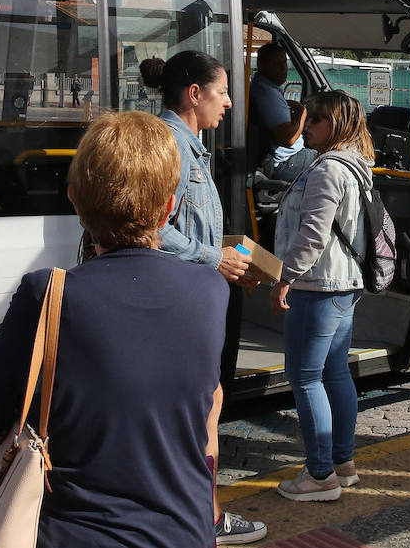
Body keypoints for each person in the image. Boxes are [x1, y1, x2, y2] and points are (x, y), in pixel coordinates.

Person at [0, 111, 227, 547]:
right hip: (183, 533)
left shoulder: (48, 294)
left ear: (74, 200)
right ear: (169, 209)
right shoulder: (211, 290)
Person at [138, 50, 266, 546]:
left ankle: (198, 515)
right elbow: (153, 226)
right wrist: (213, 260)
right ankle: (201, 520)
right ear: (195, 94)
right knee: (200, 408)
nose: (230, 103)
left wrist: (230, 260)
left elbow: (185, 228)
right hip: (179, 303)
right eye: (223, 91)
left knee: (203, 405)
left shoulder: (187, 145)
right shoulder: (169, 144)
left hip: (191, 297)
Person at [269, 90, 371, 502]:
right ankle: (342, 464)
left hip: (318, 286)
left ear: (337, 125)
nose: (306, 126)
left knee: (306, 378)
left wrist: (284, 276)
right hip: (344, 285)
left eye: (315, 120)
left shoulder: (329, 169)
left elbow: (313, 234)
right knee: (336, 374)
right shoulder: (357, 164)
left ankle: (319, 475)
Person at [248, 41, 315, 183]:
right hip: (285, 162)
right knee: (330, 160)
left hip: (280, 159)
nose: (283, 68)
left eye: (284, 63)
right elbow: (288, 139)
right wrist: (301, 113)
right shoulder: (268, 94)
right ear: (261, 66)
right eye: (276, 64)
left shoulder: (261, 86)